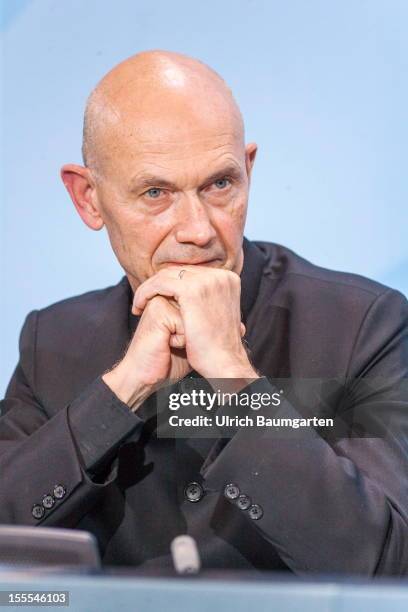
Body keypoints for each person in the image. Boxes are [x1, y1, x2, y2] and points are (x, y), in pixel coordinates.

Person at [1, 50, 407, 575]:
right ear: (89, 199)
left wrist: (237, 381)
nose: (197, 230)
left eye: (219, 184)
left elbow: (391, 567)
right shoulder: (51, 341)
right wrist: (119, 392)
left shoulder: (361, 326)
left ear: (249, 171)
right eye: (156, 193)